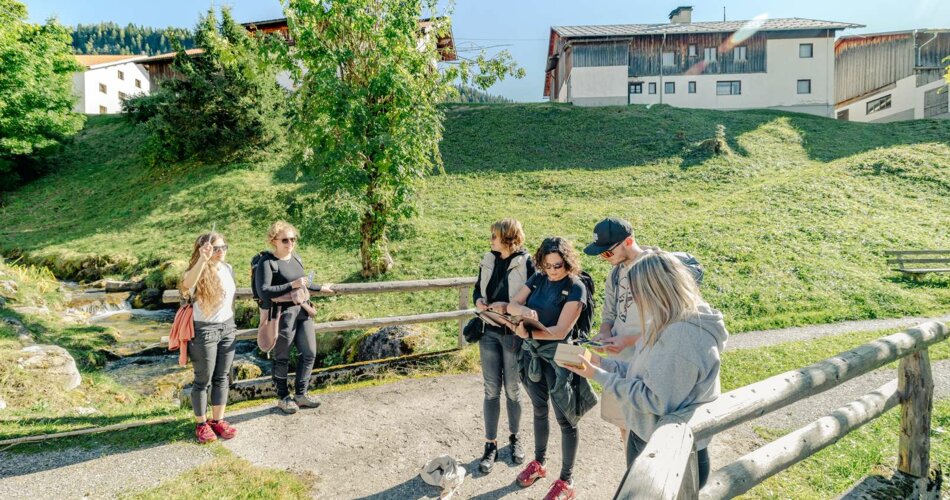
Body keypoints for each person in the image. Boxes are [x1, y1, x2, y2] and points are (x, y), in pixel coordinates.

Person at [563, 251, 728, 489]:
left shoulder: (682, 338)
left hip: (668, 451)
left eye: (636, 292)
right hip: (648, 435)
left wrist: (597, 375)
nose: (636, 301)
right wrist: (602, 363)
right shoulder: (668, 320)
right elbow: (645, 371)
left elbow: (655, 399)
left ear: (655, 290)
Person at [505, 237, 597, 500]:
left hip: (561, 357)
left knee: (566, 419)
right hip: (533, 354)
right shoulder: (538, 278)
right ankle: (539, 463)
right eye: (547, 265)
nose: (553, 271)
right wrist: (523, 311)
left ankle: (567, 480)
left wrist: (526, 333)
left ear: (568, 262)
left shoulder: (576, 287)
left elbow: (561, 330)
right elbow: (513, 304)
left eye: (558, 265)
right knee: (539, 409)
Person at [472, 218, 536, 473]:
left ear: (508, 237)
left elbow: (533, 295)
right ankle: (490, 445)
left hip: (512, 332)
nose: (491, 241)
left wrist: (510, 310)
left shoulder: (526, 262)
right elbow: (478, 288)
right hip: (488, 329)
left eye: (494, 236)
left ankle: (515, 438)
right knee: (490, 390)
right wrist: (478, 300)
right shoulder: (488, 259)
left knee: (512, 389)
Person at [256, 221, 334, 414]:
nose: (290, 243)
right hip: (282, 314)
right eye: (285, 240)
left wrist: (320, 287)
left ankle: (301, 394)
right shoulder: (267, 263)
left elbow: (303, 283)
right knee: (281, 356)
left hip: (302, 310)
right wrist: (292, 285)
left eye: (292, 239)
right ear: (274, 241)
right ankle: (283, 397)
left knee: (309, 353)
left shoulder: (296, 258)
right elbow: (264, 291)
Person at [582, 217, 647, 446]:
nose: (604, 258)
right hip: (618, 359)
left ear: (628, 242)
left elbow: (668, 323)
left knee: (645, 428)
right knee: (623, 425)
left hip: (646, 362)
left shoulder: (653, 269)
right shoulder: (616, 273)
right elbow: (609, 313)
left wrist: (627, 340)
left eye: (607, 253)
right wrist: (605, 332)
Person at [180, 231, 239, 444]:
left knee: (222, 376)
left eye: (223, 247)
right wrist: (202, 260)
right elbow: (186, 287)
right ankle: (201, 424)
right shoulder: (197, 271)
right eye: (216, 248)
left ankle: (218, 420)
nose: (221, 251)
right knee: (203, 379)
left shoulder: (228, 268)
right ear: (203, 249)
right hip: (205, 330)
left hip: (227, 327)